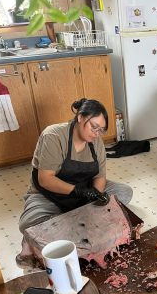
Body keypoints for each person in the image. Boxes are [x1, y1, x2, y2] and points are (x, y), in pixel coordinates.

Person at [19, 98, 133, 236]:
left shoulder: (96, 143)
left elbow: (100, 176)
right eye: (94, 126)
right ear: (80, 117)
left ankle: (70, 219)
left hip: (84, 189)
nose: (97, 133)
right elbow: (45, 179)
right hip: (49, 195)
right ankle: (74, 218)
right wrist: (78, 191)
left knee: (125, 192)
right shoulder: (54, 136)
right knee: (28, 224)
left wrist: (95, 194)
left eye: (101, 130)